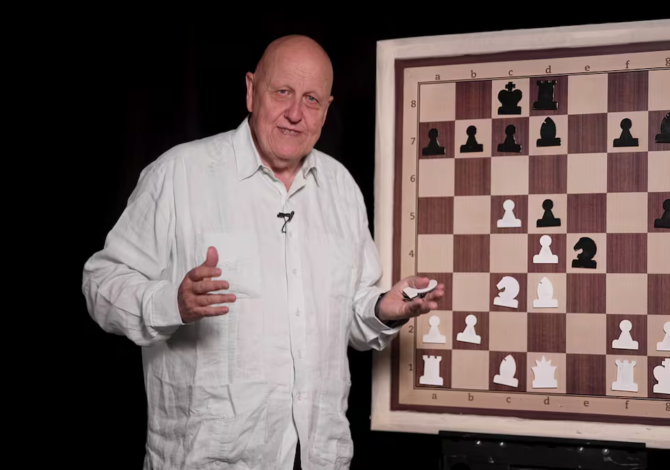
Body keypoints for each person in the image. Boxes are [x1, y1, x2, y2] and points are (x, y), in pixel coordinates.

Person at [81, 34, 444, 469]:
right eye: (283, 92)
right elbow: (100, 283)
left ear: (327, 108)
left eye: (311, 99)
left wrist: (382, 309)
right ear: (252, 91)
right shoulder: (179, 173)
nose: (295, 113)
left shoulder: (342, 188)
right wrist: (171, 303)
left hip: (318, 457)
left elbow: (349, 318)